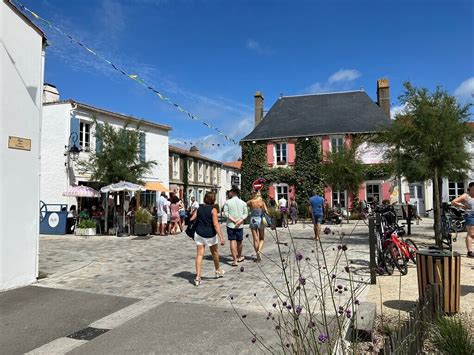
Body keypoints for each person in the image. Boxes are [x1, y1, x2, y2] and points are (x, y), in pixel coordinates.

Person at [190, 191, 225, 286]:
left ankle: (198, 277)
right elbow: (216, 224)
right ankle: (217, 270)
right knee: (215, 253)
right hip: (210, 234)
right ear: (213, 200)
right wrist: (221, 237)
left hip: (199, 233)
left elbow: (192, 218)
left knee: (199, 255)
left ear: (205, 198)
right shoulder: (213, 210)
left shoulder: (199, 208)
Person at [223, 187, 248, 266]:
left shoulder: (227, 202)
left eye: (229, 192)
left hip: (230, 224)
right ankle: (239, 256)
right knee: (239, 241)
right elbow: (246, 214)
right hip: (239, 225)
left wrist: (233, 220)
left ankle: (234, 260)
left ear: (233, 192)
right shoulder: (243, 203)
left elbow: (226, 213)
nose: (228, 193)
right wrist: (240, 221)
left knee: (232, 241)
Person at [451, 181, 474, 258]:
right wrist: (461, 205)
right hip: (470, 215)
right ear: (470, 188)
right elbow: (453, 202)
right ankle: (469, 252)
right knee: (471, 234)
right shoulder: (466, 195)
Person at [247, 192, 269, 262]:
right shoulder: (262, 202)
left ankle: (257, 255)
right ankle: (259, 251)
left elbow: (244, 205)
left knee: (255, 239)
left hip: (253, 220)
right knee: (261, 238)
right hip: (260, 220)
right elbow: (266, 212)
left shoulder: (251, 202)